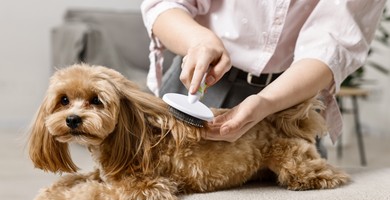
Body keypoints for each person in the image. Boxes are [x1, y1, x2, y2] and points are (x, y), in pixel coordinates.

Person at [141, 0, 385, 146]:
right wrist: (199, 41)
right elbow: (164, 5)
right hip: (198, 77)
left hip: (291, 102)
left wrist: (266, 102)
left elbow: (330, 47)